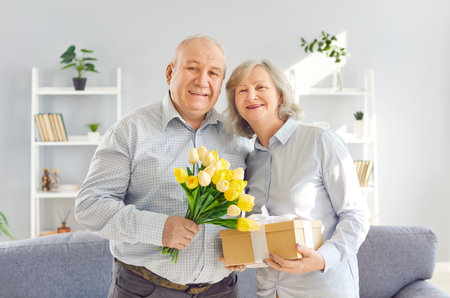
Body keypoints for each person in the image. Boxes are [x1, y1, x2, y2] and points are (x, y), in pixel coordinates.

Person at [74, 35, 251, 298]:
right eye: (193, 68)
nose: (202, 81)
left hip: (222, 290)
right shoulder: (130, 131)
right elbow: (90, 206)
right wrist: (159, 228)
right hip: (146, 289)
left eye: (213, 73)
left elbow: (252, 207)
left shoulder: (238, 137)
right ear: (170, 72)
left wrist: (245, 246)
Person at [225, 59, 370, 298]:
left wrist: (323, 258)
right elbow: (259, 227)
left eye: (260, 87)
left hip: (323, 289)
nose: (251, 96)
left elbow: (356, 215)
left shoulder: (320, 141)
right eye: (242, 90)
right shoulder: (249, 160)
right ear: (235, 103)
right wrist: (240, 255)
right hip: (270, 291)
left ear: (280, 95)